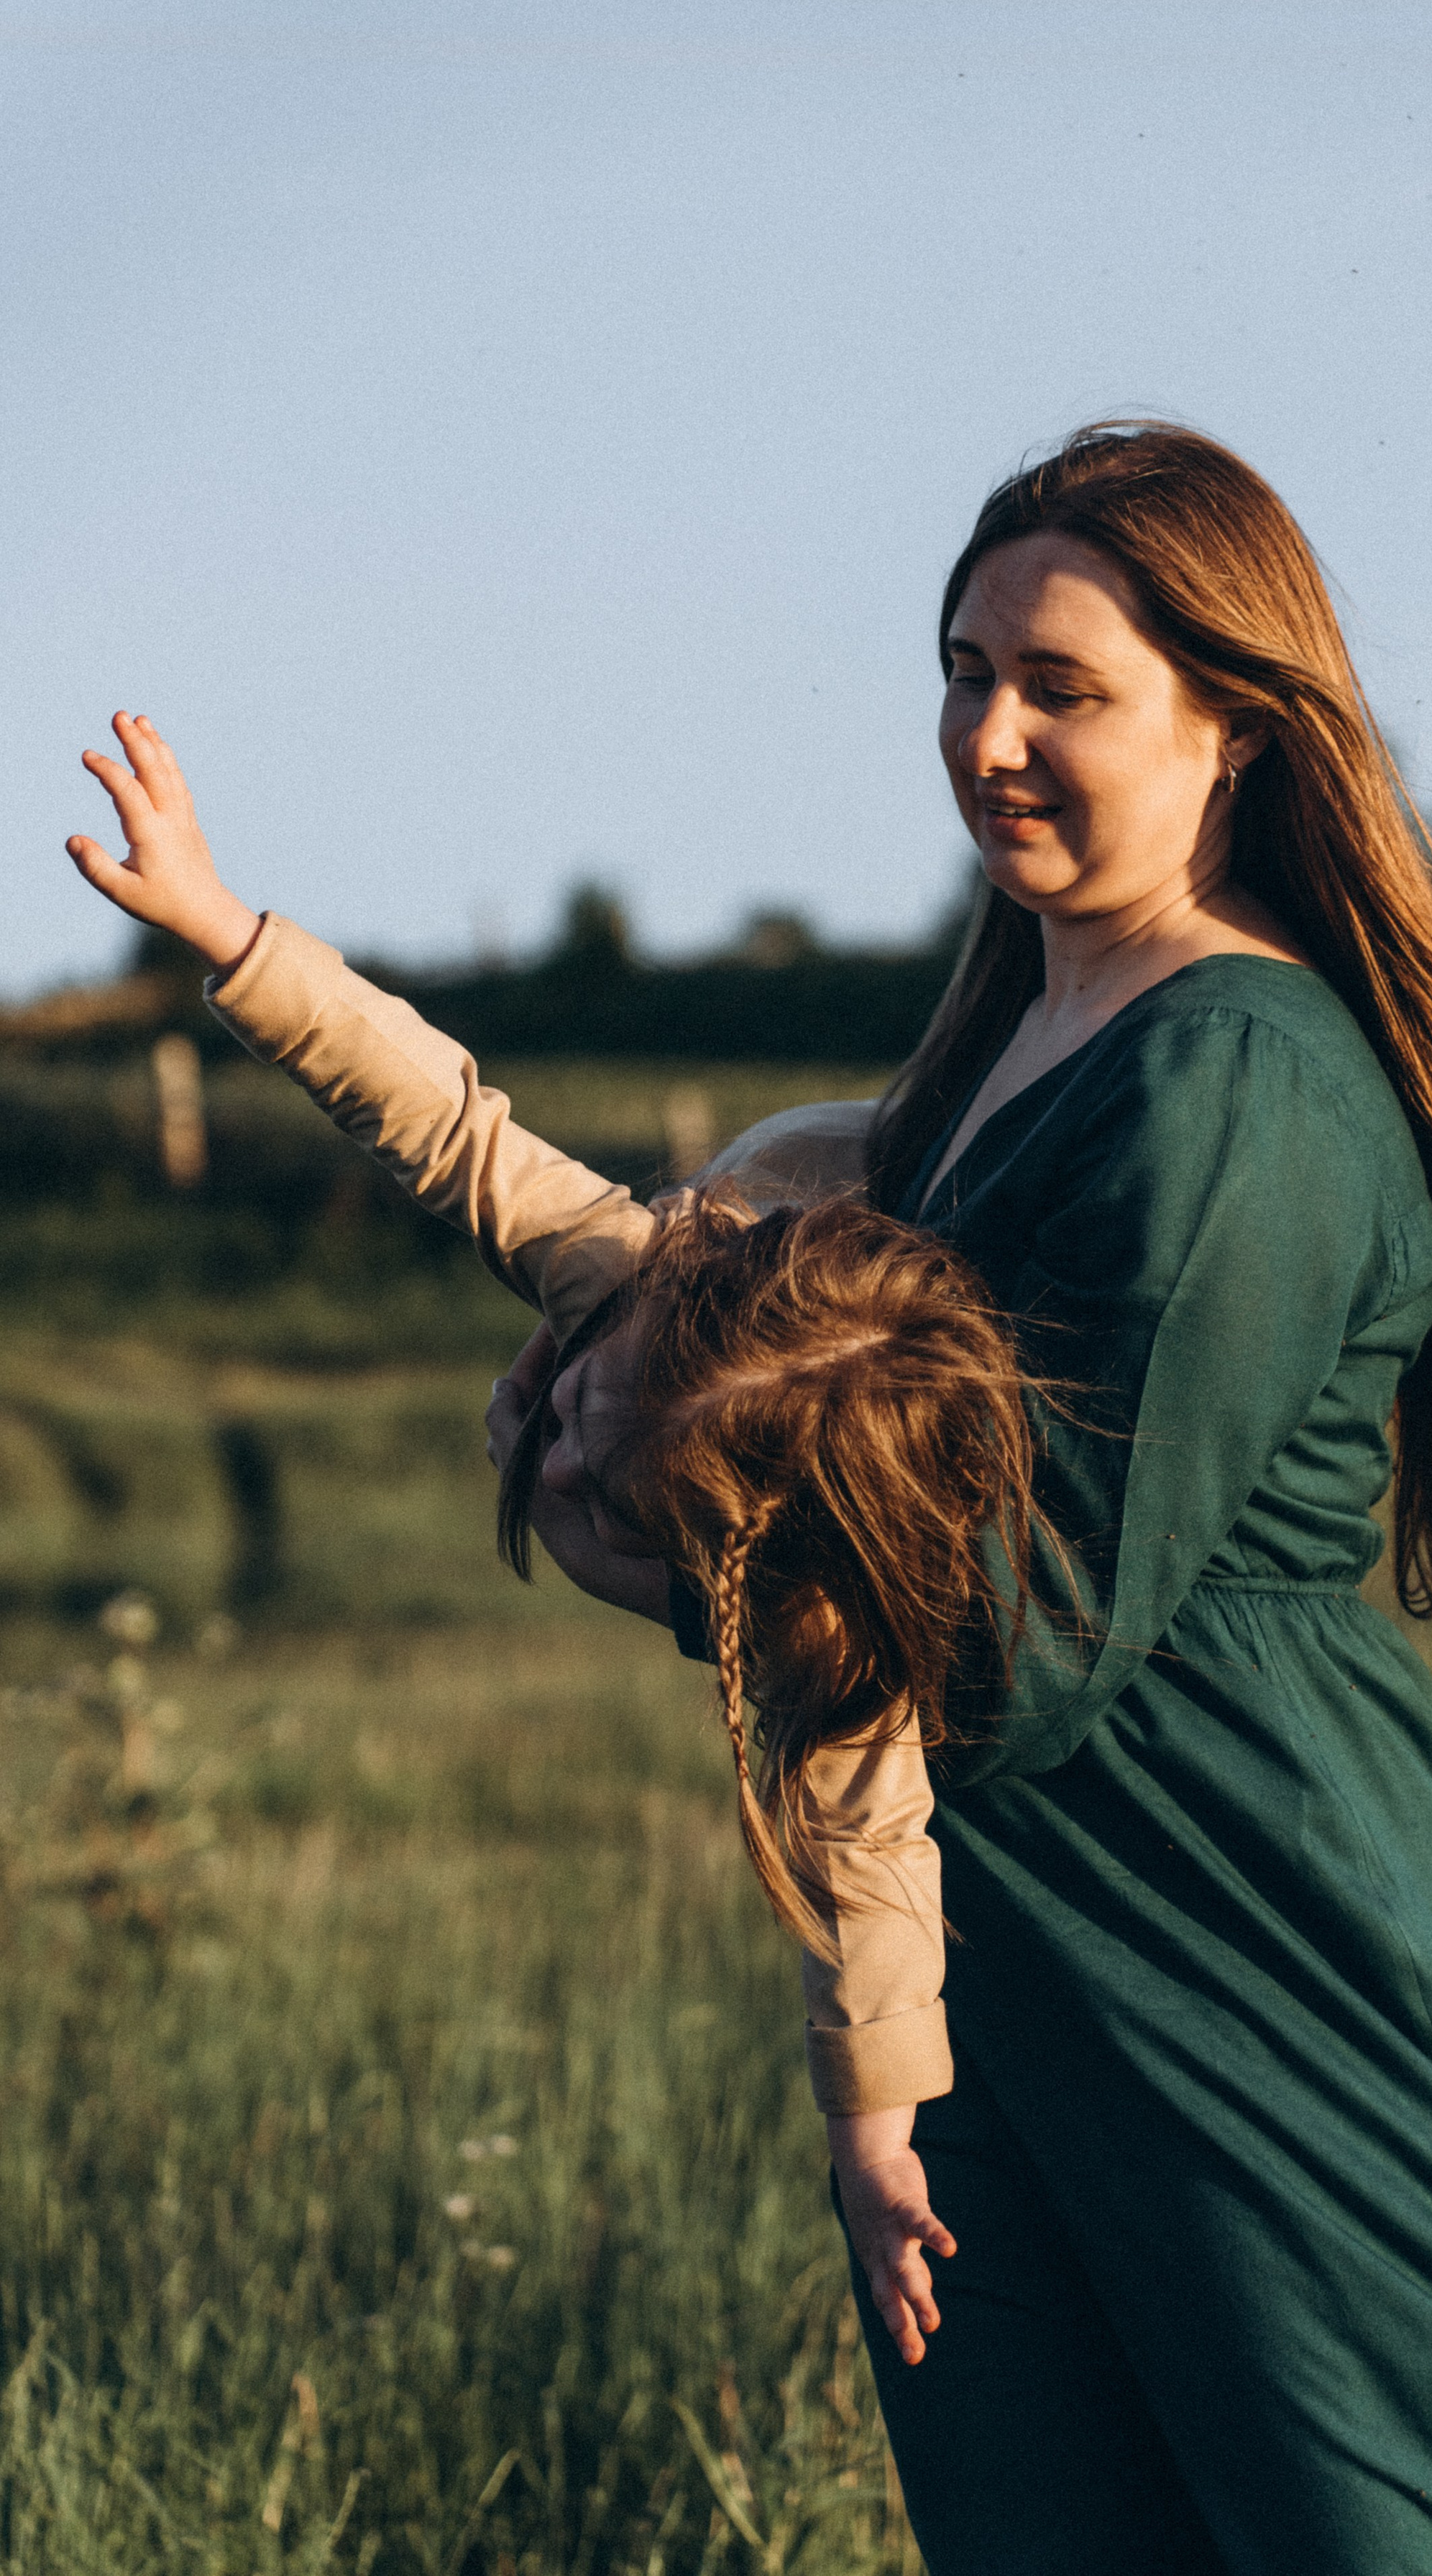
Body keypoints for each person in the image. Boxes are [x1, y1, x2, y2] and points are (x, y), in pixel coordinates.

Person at [494, 420, 1432, 2573]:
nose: (988, 735)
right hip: (1013, 1933)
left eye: (1062, 688)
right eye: (961, 669)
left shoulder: (1238, 1079)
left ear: (1235, 726)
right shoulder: (1007, 1039)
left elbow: (1014, 1634)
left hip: (1242, 1915)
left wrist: (662, 1526)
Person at [62, 724, 983, 2365]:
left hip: (906, 1267)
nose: (538, 1426)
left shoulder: (808, 1611)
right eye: (580, 1423)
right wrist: (226, 934)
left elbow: (866, 1858)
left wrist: (871, 2127)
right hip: (847, 1220)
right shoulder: (621, 1265)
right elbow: (441, 1119)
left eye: (571, 1466)